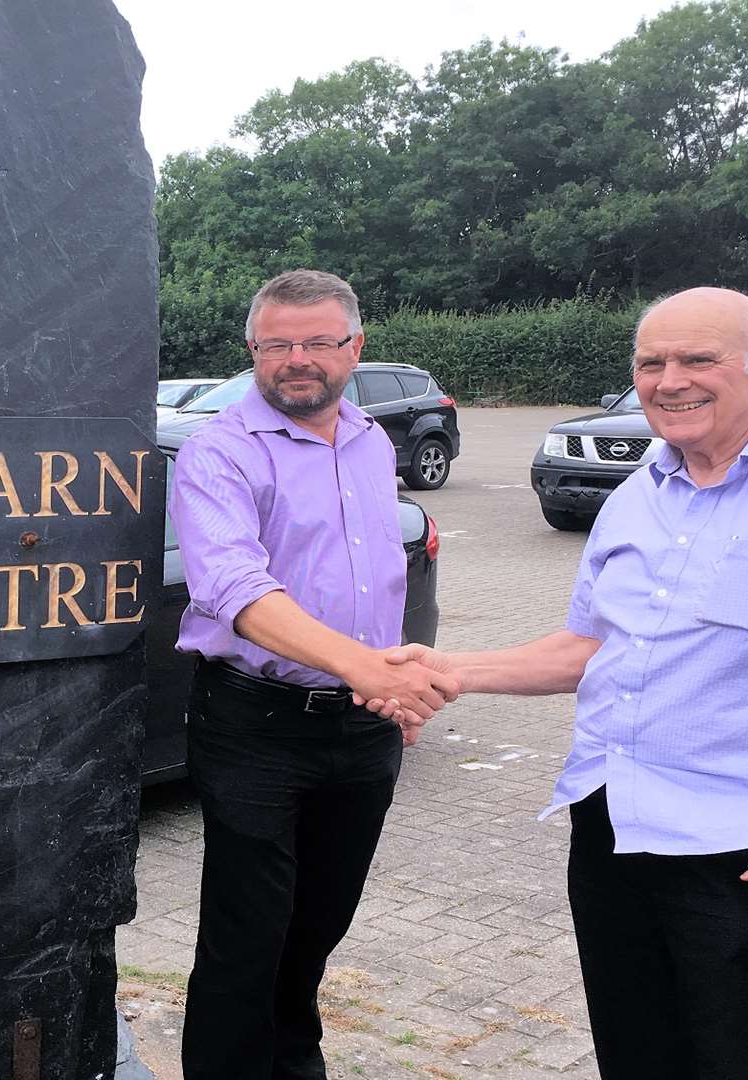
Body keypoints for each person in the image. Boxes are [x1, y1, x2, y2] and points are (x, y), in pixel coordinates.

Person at [373, 287, 748, 1078]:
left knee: (745, 1061)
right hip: (611, 823)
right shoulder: (638, 496)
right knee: (636, 1054)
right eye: (650, 363)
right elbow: (589, 646)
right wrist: (452, 669)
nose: (670, 381)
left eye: (699, 359)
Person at [169, 269, 457, 1080]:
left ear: (354, 348)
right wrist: (371, 666)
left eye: (318, 342)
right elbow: (236, 591)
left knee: (318, 928)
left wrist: (390, 678)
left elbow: (375, 581)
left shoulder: (370, 441)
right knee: (246, 940)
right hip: (255, 728)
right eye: (277, 344)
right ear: (253, 352)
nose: (297, 359)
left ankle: (296, 1067)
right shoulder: (219, 450)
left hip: (364, 727)